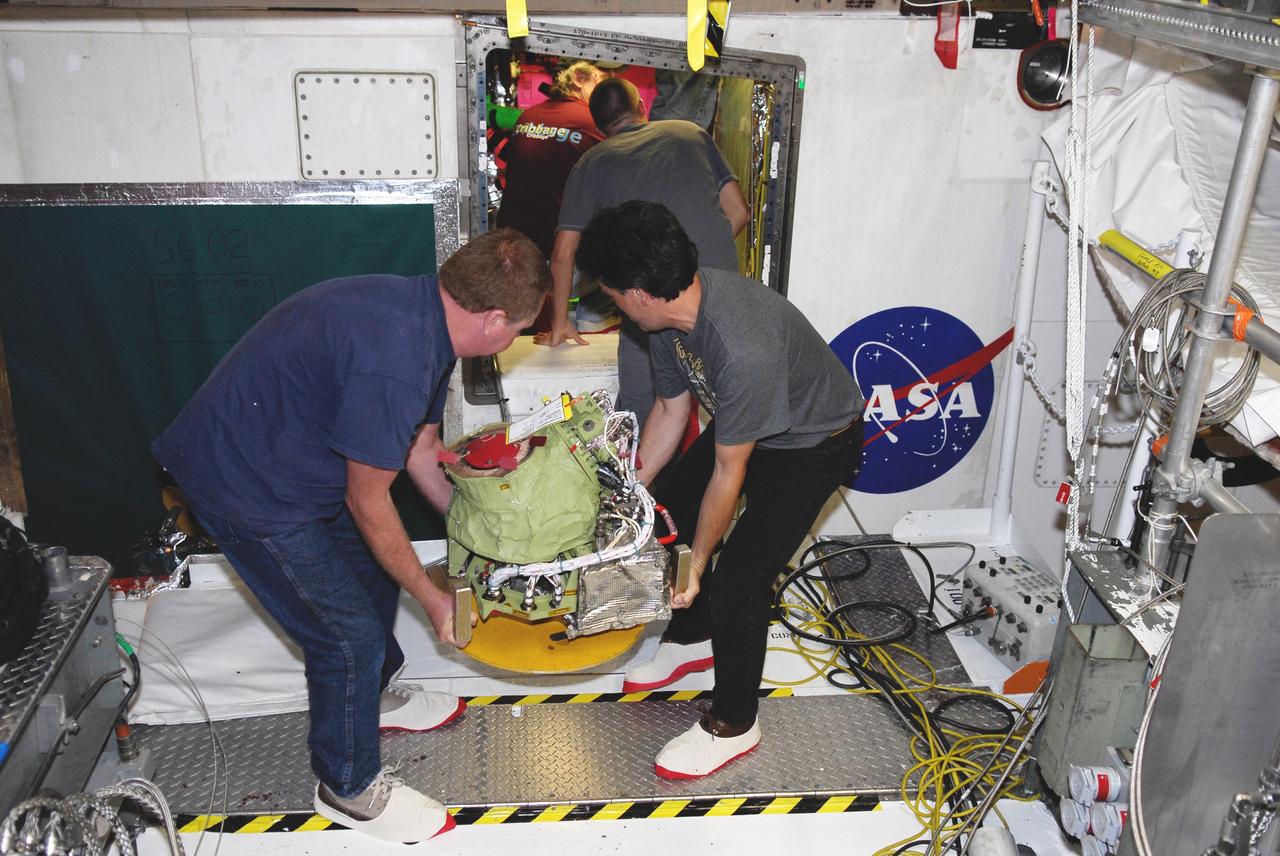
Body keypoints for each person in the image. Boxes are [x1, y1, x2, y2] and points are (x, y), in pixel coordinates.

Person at [151, 229, 551, 842]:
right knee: (347, 637)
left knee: (372, 574)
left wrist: (483, 536)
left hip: (298, 456)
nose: (515, 339)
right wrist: (433, 596)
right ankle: (348, 784)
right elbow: (368, 500)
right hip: (244, 483)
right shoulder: (396, 362)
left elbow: (421, 453)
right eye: (520, 328)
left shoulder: (433, 318)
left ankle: (373, 696)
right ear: (493, 319)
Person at [575, 201, 865, 780]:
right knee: (668, 515)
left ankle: (735, 721)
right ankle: (693, 637)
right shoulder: (666, 320)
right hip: (752, 424)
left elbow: (730, 473)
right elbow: (670, 409)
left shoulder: (740, 344)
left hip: (812, 443)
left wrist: (701, 563)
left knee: (738, 578)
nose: (612, 305)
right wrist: (626, 493)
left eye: (611, 294)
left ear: (639, 292)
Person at [539, 77, 751, 426]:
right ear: (641, 108)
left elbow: (564, 252)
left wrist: (560, 322)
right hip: (718, 300)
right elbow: (739, 212)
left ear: (599, 126)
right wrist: (687, 260)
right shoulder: (692, 133)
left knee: (638, 415)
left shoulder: (591, 162)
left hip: (648, 305)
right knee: (728, 413)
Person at [496, 60, 607, 260]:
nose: (606, 92)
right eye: (600, 81)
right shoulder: (594, 122)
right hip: (555, 246)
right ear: (579, 79)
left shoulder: (527, 116)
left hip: (511, 239)